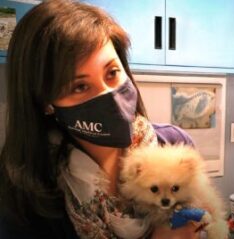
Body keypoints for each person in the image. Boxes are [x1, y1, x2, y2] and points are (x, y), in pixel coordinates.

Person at [0, 0, 200, 238]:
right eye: (80, 86)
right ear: (46, 103)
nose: (109, 96)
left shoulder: (174, 145)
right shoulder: (21, 192)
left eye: (112, 72)